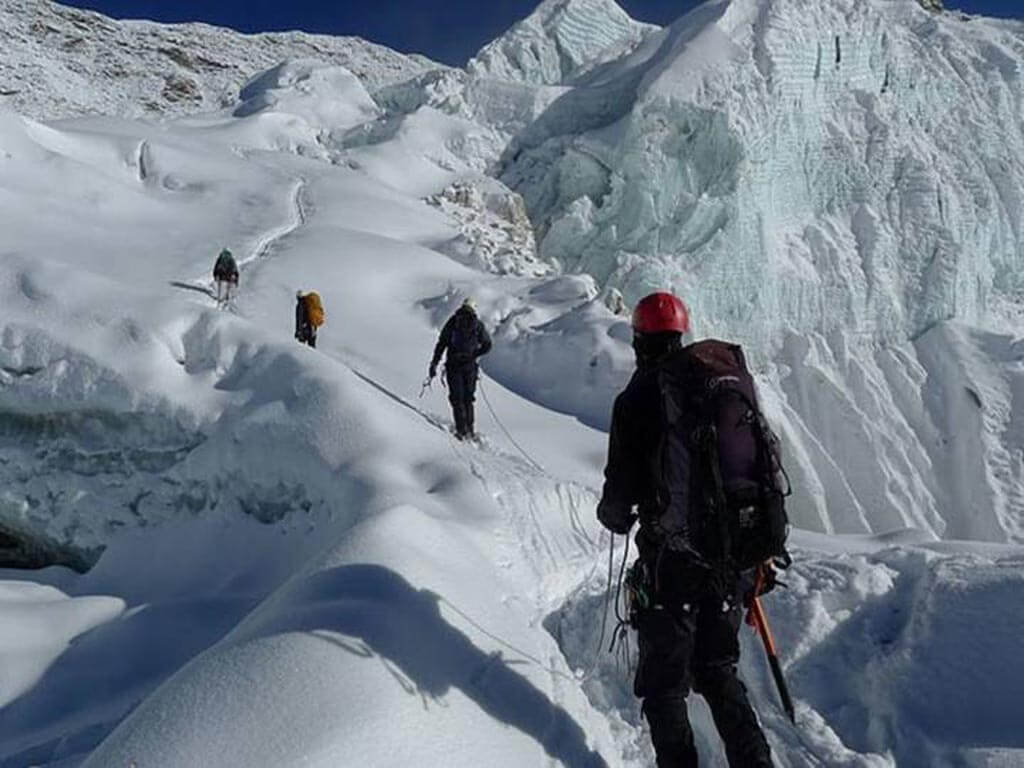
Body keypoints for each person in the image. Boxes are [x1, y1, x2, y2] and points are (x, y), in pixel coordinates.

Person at [596, 291, 775, 768]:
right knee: (718, 671)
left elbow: (619, 496)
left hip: (673, 567)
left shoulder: (636, 399)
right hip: (730, 562)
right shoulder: (716, 385)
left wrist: (615, 516)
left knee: (665, 689)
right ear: (680, 335)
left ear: (638, 339)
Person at [428, 298, 492, 440]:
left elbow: (442, 343)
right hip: (470, 367)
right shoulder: (477, 325)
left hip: (453, 365)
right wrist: (474, 354)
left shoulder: (453, 322)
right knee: (468, 399)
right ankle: (470, 430)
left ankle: (461, 430)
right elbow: (487, 345)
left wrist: (434, 363)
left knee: (457, 399)